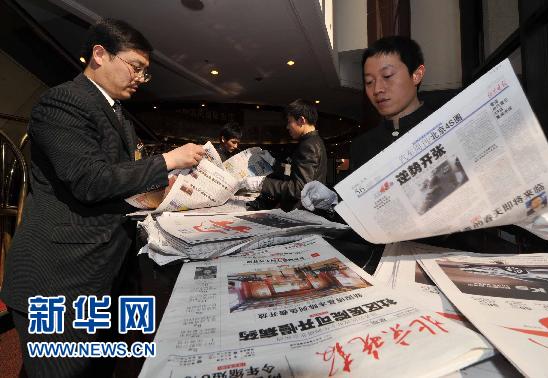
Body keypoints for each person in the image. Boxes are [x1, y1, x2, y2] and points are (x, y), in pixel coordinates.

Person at [0, 18, 205, 377]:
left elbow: (116, 183)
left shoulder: (117, 113)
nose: (141, 79)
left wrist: (154, 194)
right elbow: (89, 180)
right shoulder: (63, 102)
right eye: (136, 67)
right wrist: (168, 160)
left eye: (145, 72)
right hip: (59, 276)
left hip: (97, 270)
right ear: (99, 54)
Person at [301, 36, 548, 246]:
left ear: (417, 74)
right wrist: (334, 201)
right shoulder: (363, 144)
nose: (378, 88)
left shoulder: (457, 118)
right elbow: (364, 211)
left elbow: (505, 177)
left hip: (461, 255)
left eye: (388, 75)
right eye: (368, 81)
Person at [245, 99, 327, 211]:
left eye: (289, 122)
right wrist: (274, 163)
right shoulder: (315, 141)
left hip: (302, 210)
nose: (287, 127)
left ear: (301, 120)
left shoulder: (308, 145)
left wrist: (262, 184)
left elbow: (300, 189)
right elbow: (296, 172)